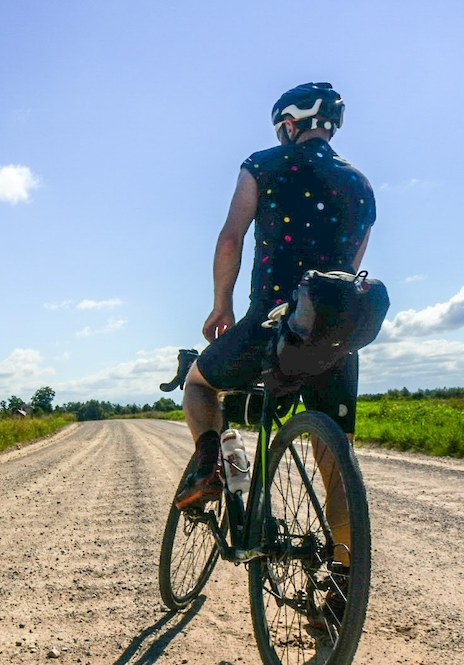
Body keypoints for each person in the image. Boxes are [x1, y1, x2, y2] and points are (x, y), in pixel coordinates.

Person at [174, 83, 375, 615]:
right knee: (334, 455)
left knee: (199, 382)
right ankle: (340, 592)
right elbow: (351, 268)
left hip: (270, 324)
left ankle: (212, 465)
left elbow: (231, 238)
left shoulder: (263, 165)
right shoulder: (360, 184)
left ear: (289, 125)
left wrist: (221, 305)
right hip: (332, 337)